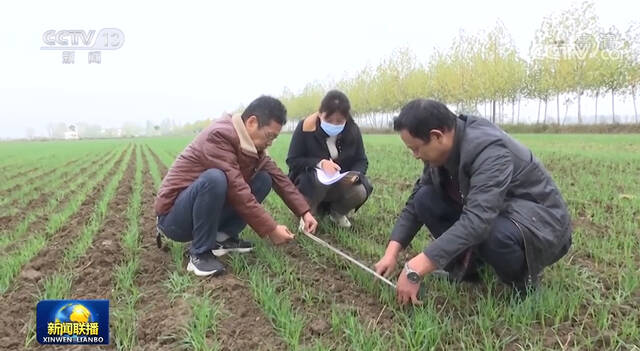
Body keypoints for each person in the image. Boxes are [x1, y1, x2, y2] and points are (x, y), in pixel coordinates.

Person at [374, 99, 572, 304]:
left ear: (437, 136)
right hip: (501, 212)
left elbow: (478, 220)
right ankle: (469, 270)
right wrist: (392, 253)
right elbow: (416, 202)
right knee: (425, 199)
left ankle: (523, 283)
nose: (416, 156)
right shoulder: (440, 153)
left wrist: (417, 268)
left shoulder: (488, 150)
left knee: (492, 231)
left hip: (542, 224)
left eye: (416, 148)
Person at [154, 96, 318, 277]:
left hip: (196, 211)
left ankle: (221, 239)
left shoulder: (252, 147)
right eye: (269, 136)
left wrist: (304, 212)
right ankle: (199, 254)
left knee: (264, 179)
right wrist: (271, 229)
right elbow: (237, 189)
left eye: (274, 138)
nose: (270, 142)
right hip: (174, 219)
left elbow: (279, 177)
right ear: (252, 122)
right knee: (215, 179)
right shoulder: (219, 136)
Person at [286, 90, 373, 229]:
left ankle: (337, 213)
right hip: (309, 183)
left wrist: (355, 175)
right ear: (320, 114)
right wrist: (319, 163)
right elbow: (292, 160)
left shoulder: (353, 130)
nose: (334, 124)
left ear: (347, 118)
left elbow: (361, 159)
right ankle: (308, 214)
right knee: (318, 181)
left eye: (339, 121)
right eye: (329, 120)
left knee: (360, 190)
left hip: (339, 182)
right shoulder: (305, 127)